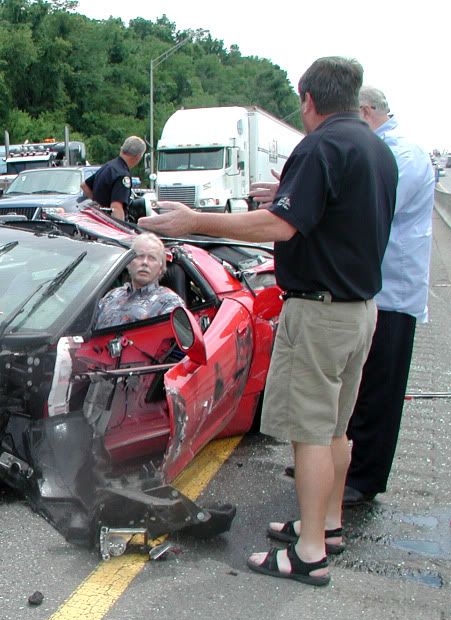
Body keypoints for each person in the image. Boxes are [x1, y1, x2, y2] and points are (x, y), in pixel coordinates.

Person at [138, 56, 398, 587]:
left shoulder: (321, 146)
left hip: (320, 313)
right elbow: (329, 218)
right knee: (337, 428)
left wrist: (193, 221)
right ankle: (326, 526)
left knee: (309, 434)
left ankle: (307, 554)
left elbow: (279, 226)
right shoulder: (376, 149)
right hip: (360, 310)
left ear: (308, 99)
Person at [341, 86, 435, 505]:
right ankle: (343, 463)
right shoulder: (384, 149)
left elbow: (374, 205)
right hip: (373, 289)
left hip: (394, 292)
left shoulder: (405, 155)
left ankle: (364, 477)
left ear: (364, 112)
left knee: (381, 390)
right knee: (359, 387)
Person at [93, 233, 183, 329]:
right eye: (140, 256)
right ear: (128, 262)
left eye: (152, 258)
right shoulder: (110, 296)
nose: (145, 262)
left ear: (161, 268)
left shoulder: (170, 302)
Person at [81, 136, 147, 221]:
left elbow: (85, 186)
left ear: (122, 149)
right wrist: (121, 230)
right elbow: (117, 208)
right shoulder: (122, 176)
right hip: (109, 226)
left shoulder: (108, 167)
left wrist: (99, 206)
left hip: (98, 220)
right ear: (138, 156)